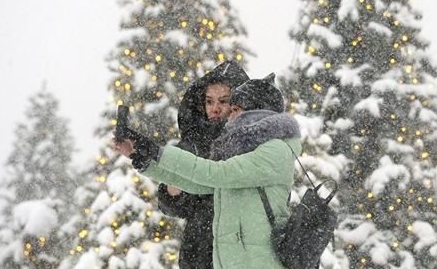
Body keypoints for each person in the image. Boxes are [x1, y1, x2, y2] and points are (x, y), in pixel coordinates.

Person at [113, 74, 301, 269]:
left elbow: (216, 174)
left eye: (235, 109)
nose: (229, 116)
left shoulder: (275, 150)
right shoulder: (240, 152)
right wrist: (143, 160)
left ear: (255, 113)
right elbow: (200, 184)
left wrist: (157, 151)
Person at [158, 60, 249, 269]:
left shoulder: (252, 142)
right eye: (209, 101)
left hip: (242, 250)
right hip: (198, 251)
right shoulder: (192, 143)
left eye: (223, 101)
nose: (215, 109)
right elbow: (167, 202)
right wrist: (174, 189)